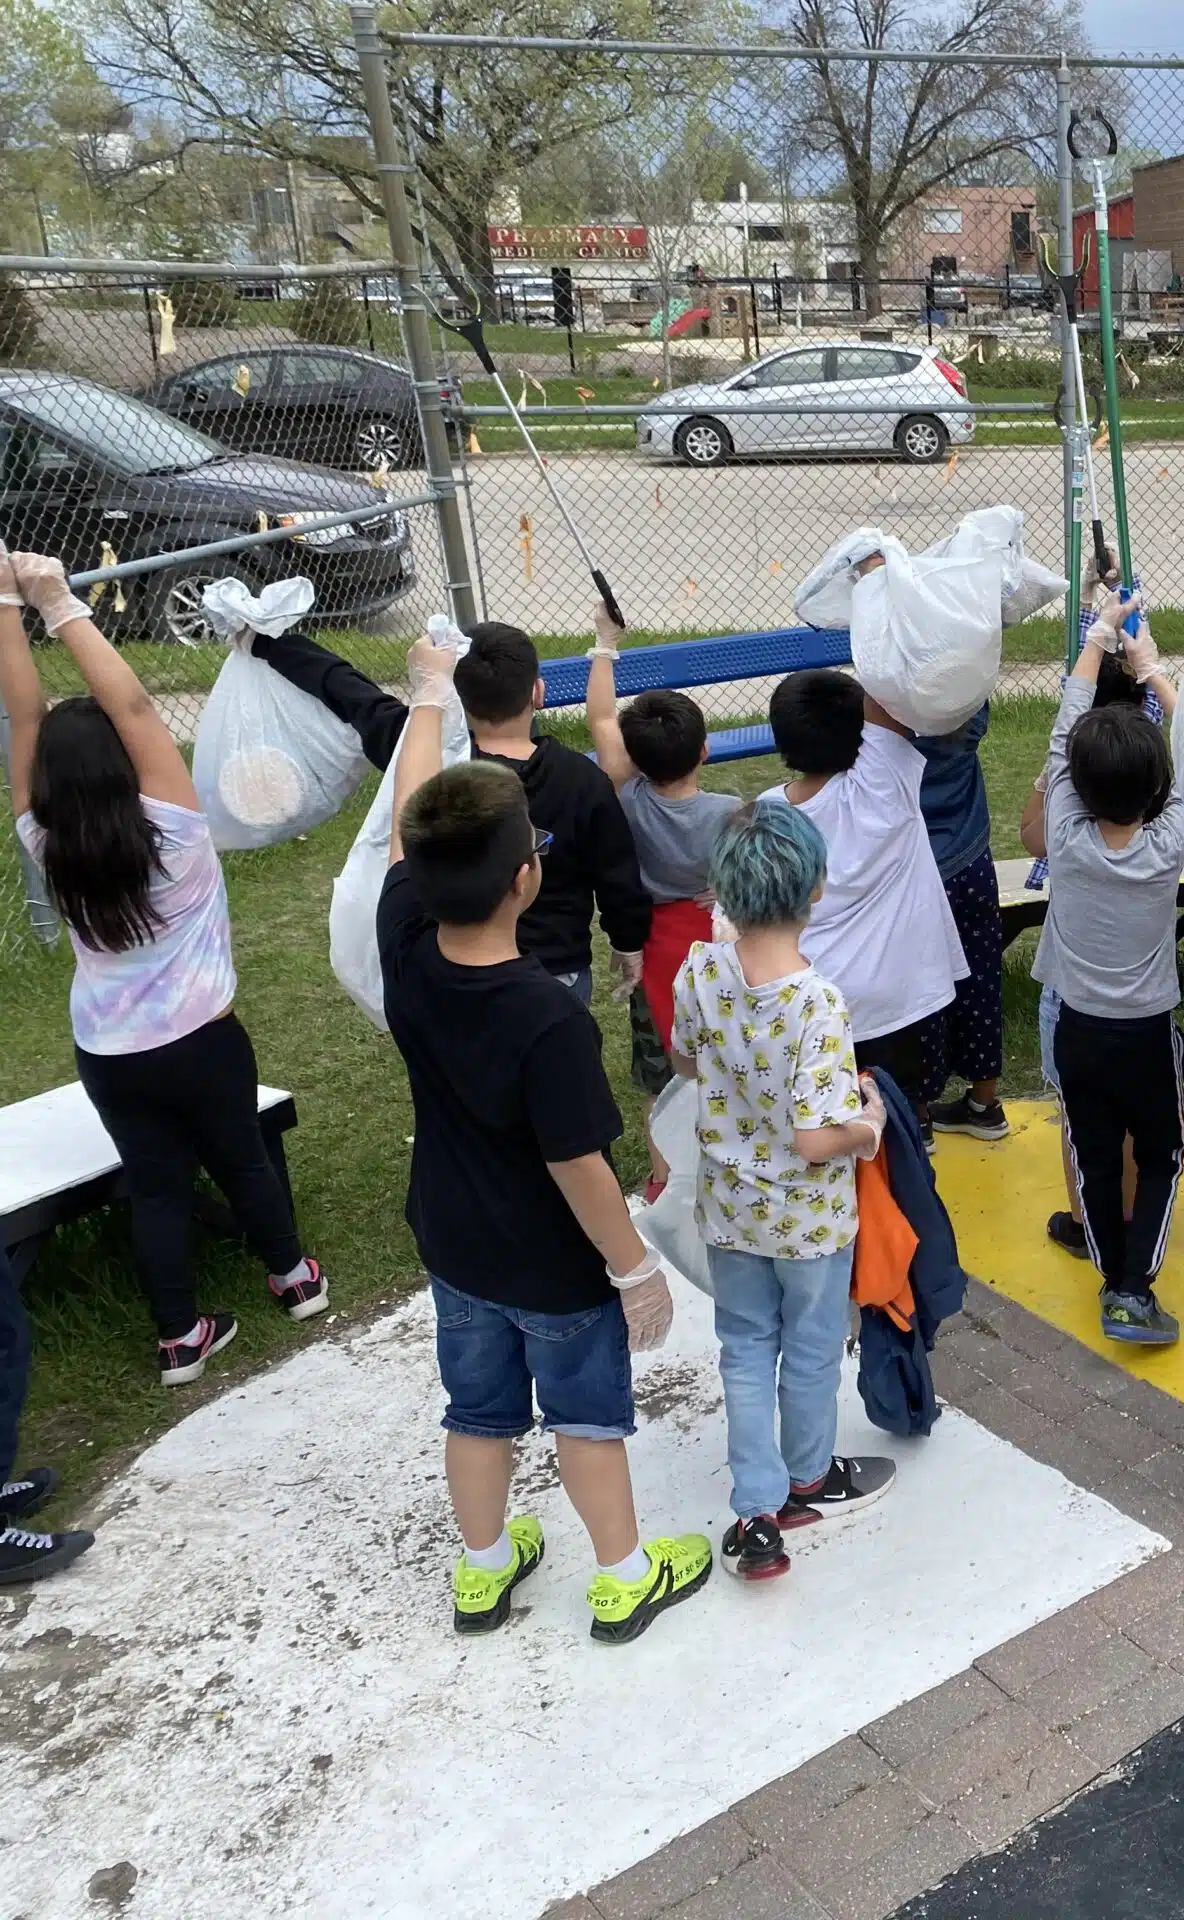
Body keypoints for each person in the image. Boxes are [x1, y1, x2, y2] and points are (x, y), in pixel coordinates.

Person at [377, 633, 709, 1641]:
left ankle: (483, 1571)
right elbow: (577, 1166)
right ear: (526, 881)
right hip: (557, 1270)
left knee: (475, 1413)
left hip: (453, 1245)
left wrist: (428, 699)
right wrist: (631, 1271)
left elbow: (404, 832)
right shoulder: (547, 1020)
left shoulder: (402, 936)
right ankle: (622, 1576)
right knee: (584, 1419)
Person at [2, 553, 326, 1400]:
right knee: (244, 1162)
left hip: (110, 1053)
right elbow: (135, 704)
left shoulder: (44, 839)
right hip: (205, 1042)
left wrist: (6, 605)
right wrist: (56, 601)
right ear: (123, 764)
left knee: (155, 1190)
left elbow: (23, 716)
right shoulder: (176, 829)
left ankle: (181, 1339)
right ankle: (294, 1280)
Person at [670, 801, 898, 1581]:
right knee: (808, 1348)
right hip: (808, 1221)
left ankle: (755, 1508)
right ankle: (806, 1477)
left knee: (742, 1347)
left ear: (723, 894)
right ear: (818, 892)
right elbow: (814, 1136)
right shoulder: (817, 1002)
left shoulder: (700, 969)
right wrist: (869, 1127)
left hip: (729, 1210)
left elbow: (686, 1063)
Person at [245, 613, 651, 999]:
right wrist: (628, 941)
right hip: (556, 972)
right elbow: (617, 874)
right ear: (537, 692)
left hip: (456, 971)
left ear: (455, 695)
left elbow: (348, 689)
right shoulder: (583, 780)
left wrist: (265, 641)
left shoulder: (426, 758)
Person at [1036, 590, 1184, 1344]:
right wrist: (1151, 665)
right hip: (1145, 1037)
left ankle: (1113, 1282)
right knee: (1160, 1153)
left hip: (1078, 1032)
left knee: (1095, 1158)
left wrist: (1097, 641)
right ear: (1157, 783)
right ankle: (1136, 1284)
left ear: (1075, 781)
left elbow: (1065, 731)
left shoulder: (1065, 839)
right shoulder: (1168, 846)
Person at [761, 667, 970, 1107]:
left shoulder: (766, 815)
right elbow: (884, 684)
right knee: (901, 1132)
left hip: (809, 1005)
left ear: (780, 742)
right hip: (896, 1004)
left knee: (827, 1128)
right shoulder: (885, 782)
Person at [584, 607, 740, 1112]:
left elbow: (602, 717)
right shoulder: (732, 814)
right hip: (715, 941)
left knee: (663, 1083)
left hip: (650, 945)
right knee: (725, 1060)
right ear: (705, 751)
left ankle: (663, 1179)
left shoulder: (625, 793)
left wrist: (605, 641)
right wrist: (729, 888)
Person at [916, 700, 1012, 1146]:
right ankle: (983, 1104)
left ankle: (918, 1111)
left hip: (914, 871)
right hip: (971, 864)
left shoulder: (887, 724)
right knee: (981, 980)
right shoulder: (969, 715)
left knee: (918, 991)